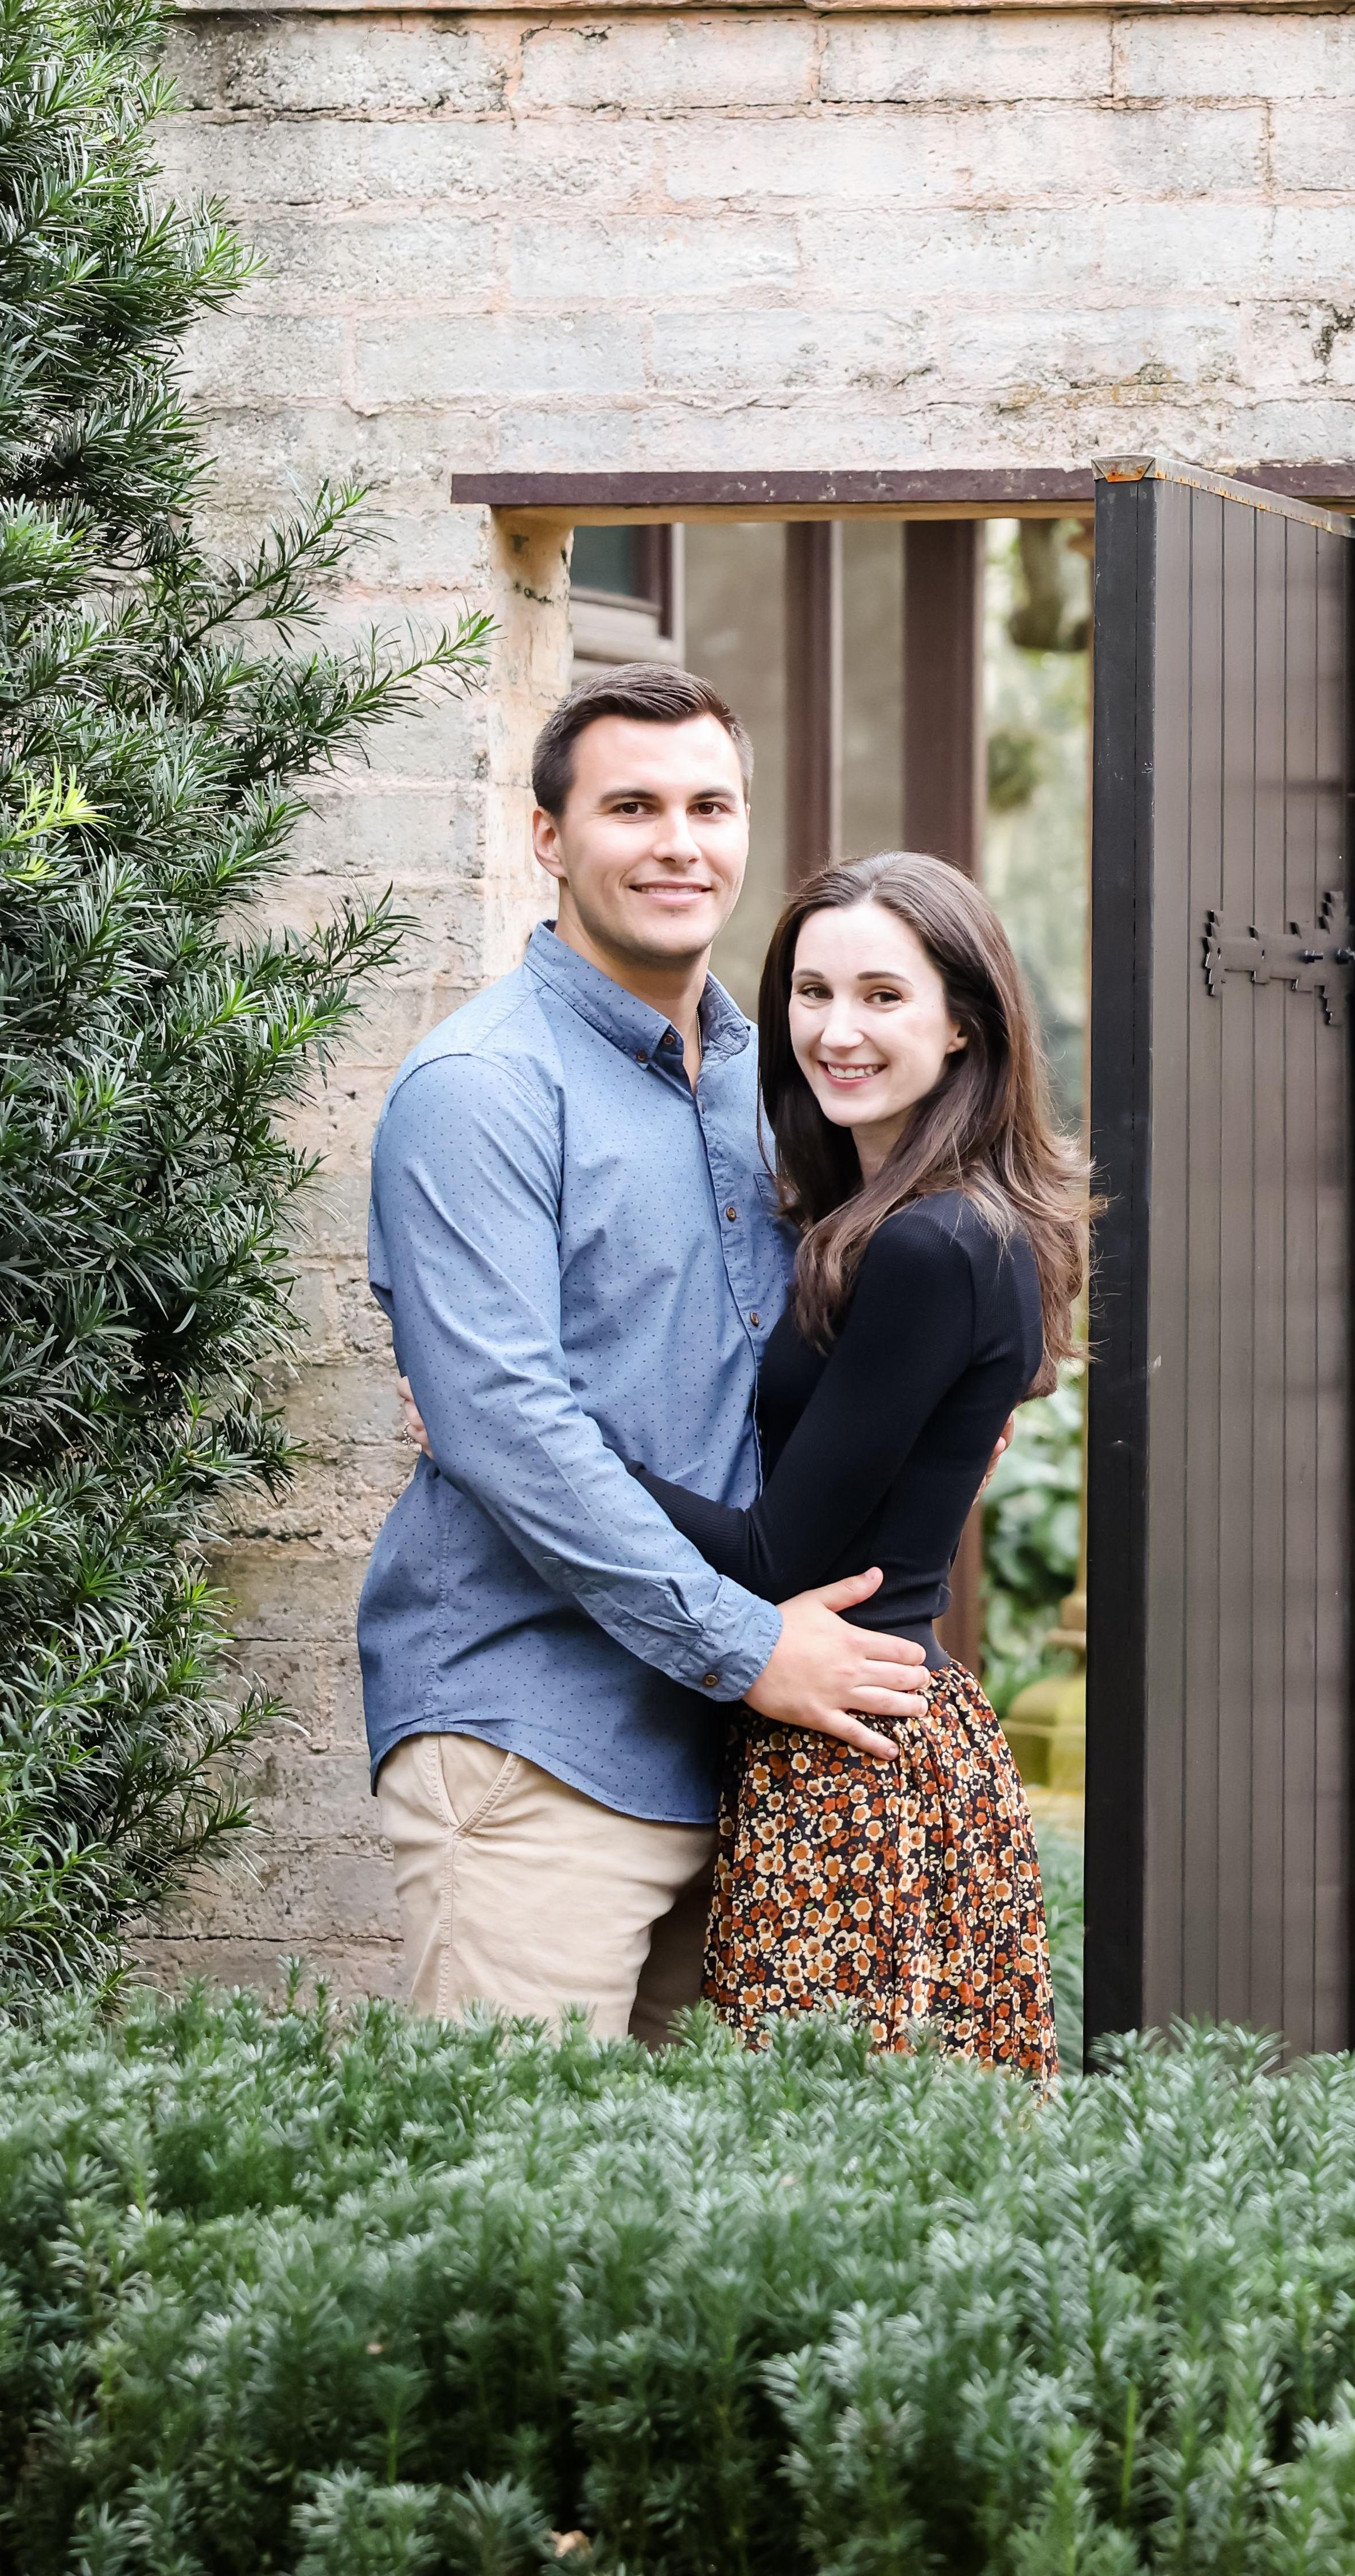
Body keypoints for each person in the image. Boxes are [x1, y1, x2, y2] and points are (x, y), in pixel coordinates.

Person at [359, 666, 935, 2043]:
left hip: (742, 1752)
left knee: (703, 2180)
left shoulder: (782, 1080)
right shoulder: (481, 1089)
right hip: (538, 1738)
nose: (679, 842)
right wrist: (748, 1647)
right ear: (548, 836)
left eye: (709, 806)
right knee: (515, 2163)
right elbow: (508, 1427)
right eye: (632, 807)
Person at [630, 851, 1087, 2068]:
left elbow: (777, 1558)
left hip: (849, 1765)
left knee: (813, 2148)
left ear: (963, 1023)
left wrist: (544, 1442)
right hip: (880, 1733)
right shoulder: (911, 1220)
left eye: (883, 995)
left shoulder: (931, 1246)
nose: (837, 1031)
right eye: (812, 992)